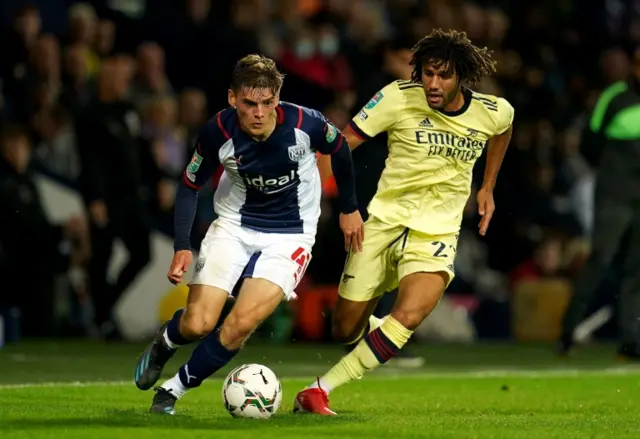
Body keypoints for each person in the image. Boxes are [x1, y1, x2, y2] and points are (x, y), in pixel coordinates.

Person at [294, 29, 514, 415]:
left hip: (437, 232)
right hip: (384, 224)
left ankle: (318, 390)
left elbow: (504, 130)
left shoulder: (493, 110)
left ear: (461, 77)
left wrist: (488, 186)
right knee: (344, 329)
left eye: (443, 76)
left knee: (410, 314)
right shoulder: (396, 97)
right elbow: (344, 144)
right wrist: (306, 196)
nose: (433, 83)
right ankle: (383, 334)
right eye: (428, 73)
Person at [133, 54, 363, 415]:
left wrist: (349, 208)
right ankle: (166, 341)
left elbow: (341, 150)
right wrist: (182, 246)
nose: (258, 113)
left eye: (267, 103)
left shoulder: (307, 123)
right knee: (198, 323)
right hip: (234, 226)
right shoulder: (217, 132)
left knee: (240, 324)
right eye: (249, 103)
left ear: (278, 97)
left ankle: (172, 391)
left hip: (291, 236)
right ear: (232, 98)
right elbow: (189, 185)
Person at [557, 47, 640, 360]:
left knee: (637, 269)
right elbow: (590, 142)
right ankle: (567, 331)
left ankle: (631, 340)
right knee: (601, 260)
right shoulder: (615, 97)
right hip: (615, 195)